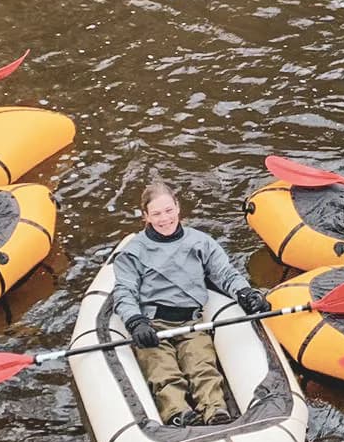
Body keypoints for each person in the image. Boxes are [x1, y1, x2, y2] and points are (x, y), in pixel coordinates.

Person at [109, 181, 270, 426]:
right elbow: (125, 291)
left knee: (202, 365)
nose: (165, 219)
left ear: (177, 208)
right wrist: (136, 322)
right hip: (153, 325)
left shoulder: (200, 242)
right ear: (146, 217)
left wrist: (246, 293)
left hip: (190, 321)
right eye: (157, 214)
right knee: (163, 369)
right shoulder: (134, 252)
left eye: (168, 210)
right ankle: (177, 413)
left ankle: (215, 411)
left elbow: (224, 274)